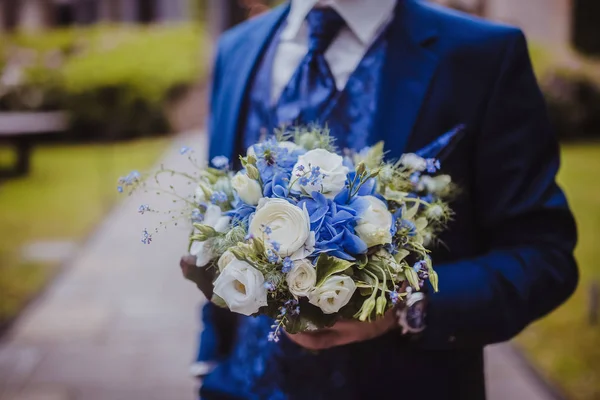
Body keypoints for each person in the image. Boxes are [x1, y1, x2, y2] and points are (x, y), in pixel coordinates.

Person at [180, 0, 579, 398]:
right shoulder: (237, 48)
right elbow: (217, 221)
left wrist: (407, 308)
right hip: (241, 386)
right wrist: (207, 363)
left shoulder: (481, 55)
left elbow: (544, 255)